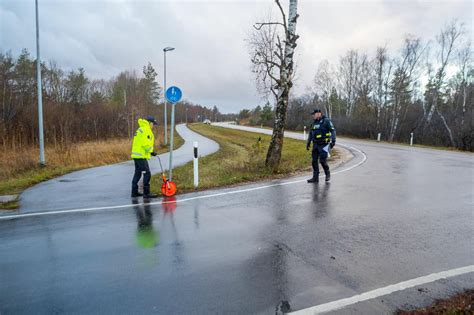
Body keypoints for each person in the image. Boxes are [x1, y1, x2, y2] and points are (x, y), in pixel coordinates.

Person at [131, 116, 159, 198]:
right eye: (153, 124)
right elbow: (145, 144)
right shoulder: (146, 130)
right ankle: (146, 193)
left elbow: (140, 143)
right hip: (141, 156)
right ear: (150, 123)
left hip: (136, 155)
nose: (153, 125)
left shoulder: (140, 129)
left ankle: (134, 192)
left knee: (138, 173)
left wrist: (149, 152)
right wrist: (151, 151)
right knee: (147, 173)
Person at [306, 109, 336, 183]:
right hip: (315, 145)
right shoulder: (313, 123)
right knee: (314, 161)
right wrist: (308, 142)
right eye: (313, 114)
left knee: (322, 161)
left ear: (319, 113)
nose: (313, 115)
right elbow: (310, 133)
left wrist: (333, 140)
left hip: (324, 145)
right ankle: (315, 178)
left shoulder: (326, 121)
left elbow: (333, 130)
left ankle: (327, 173)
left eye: (314, 114)